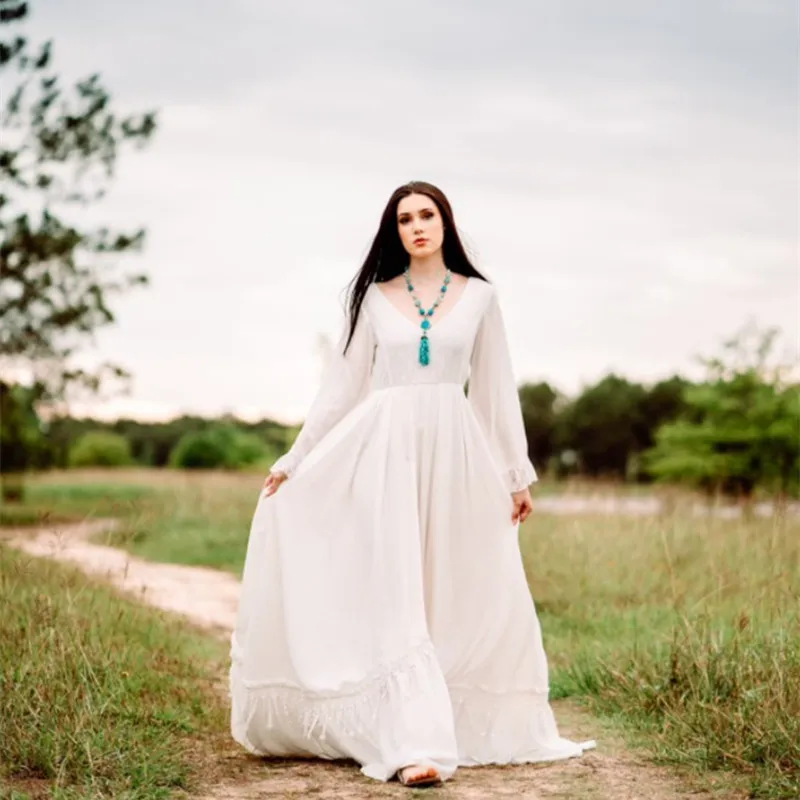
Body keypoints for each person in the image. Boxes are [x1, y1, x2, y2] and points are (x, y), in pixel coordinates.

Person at [229, 180, 595, 788]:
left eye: (427, 215)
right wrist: (295, 459)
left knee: (454, 585)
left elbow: (497, 391)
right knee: (395, 589)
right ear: (393, 230)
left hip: (457, 453)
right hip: (384, 452)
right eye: (404, 218)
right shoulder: (373, 299)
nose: (416, 226)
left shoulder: (481, 297)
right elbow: (342, 389)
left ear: (445, 223)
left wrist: (514, 473)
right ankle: (411, 742)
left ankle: (450, 723)